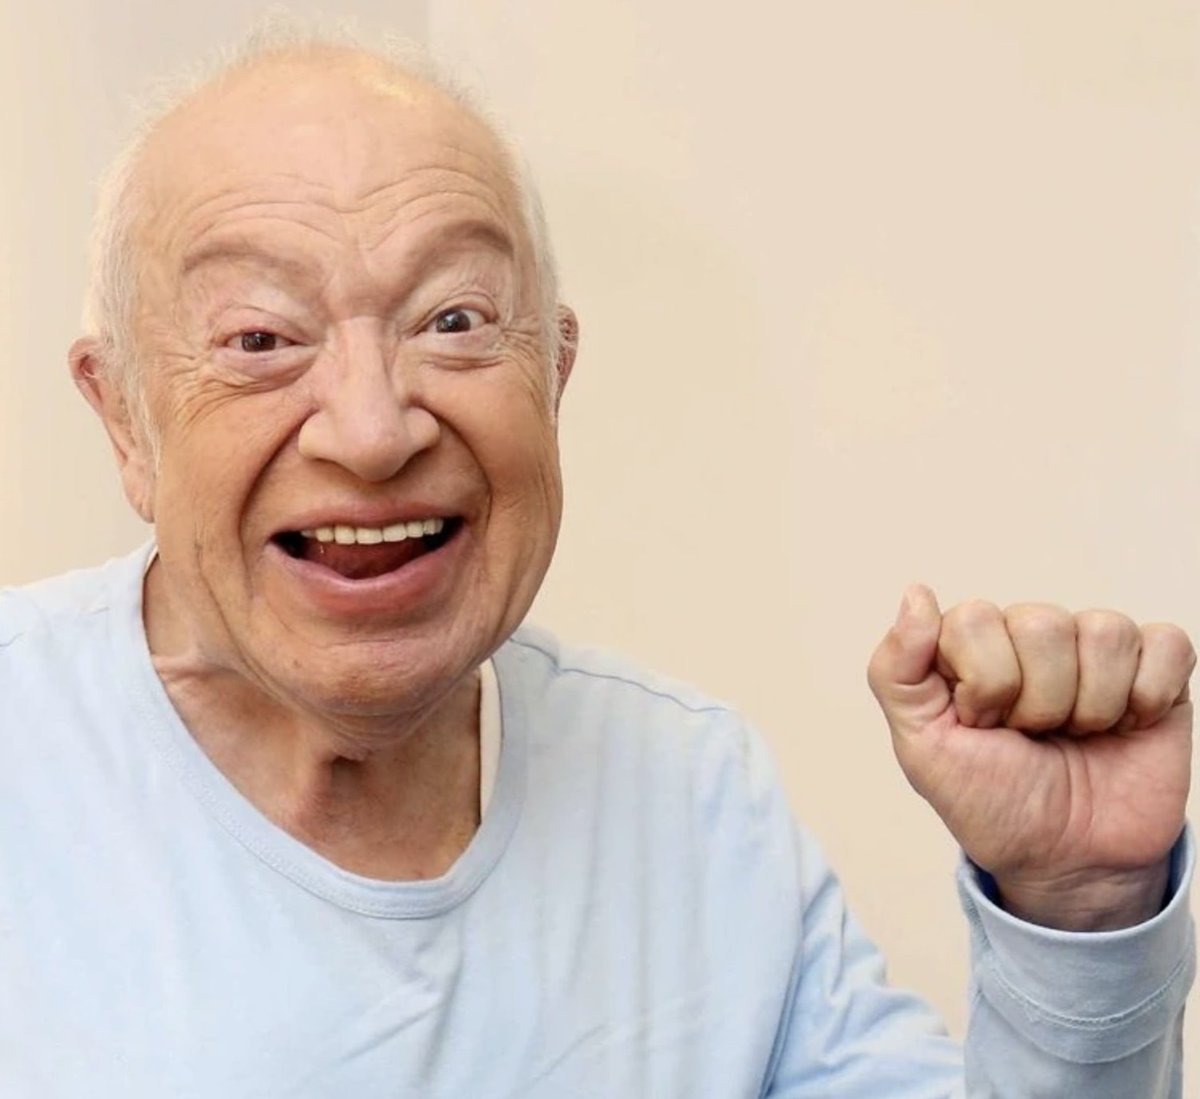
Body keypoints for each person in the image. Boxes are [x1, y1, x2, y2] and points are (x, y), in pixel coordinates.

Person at [0, 30, 1193, 1097]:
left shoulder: (692, 797)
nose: (372, 430)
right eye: (260, 337)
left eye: (454, 320)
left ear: (554, 375)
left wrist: (1081, 912)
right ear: (124, 419)